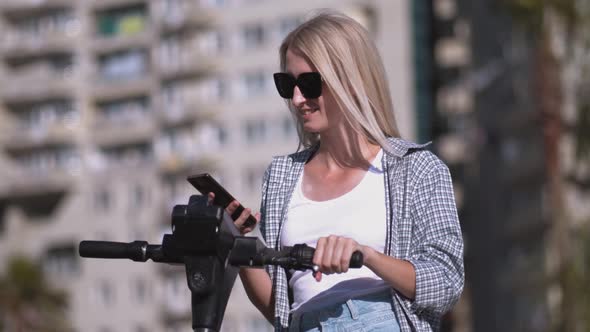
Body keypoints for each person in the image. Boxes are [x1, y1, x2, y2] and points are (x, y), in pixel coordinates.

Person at [221, 11, 464, 332]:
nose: (297, 99)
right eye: (288, 84)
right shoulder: (280, 176)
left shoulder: (416, 168)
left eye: (308, 84)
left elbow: (446, 282)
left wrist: (367, 257)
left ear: (350, 81)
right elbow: (281, 310)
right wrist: (241, 244)